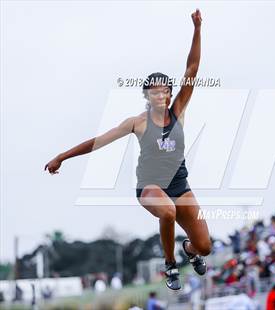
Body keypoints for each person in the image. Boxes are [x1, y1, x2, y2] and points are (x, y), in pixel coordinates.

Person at [44, 9, 211, 291]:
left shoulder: (178, 111)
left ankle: (189, 250)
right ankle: (170, 264)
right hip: (151, 187)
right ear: (147, 95)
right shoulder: (137, 123)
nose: (161, 95)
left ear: (170, 94)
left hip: (180, 186)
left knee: (205, 247)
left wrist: (197, 29)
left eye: (165, 91)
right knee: (168, 212)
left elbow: (192, 69)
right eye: (155, 91)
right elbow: (97, 142)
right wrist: (62, 156)